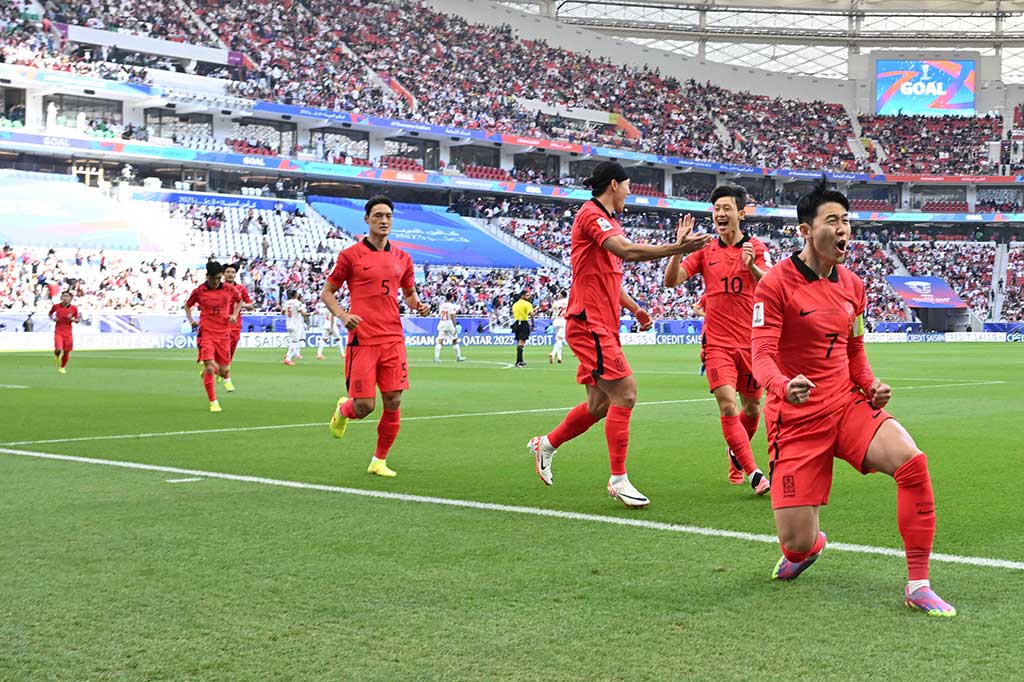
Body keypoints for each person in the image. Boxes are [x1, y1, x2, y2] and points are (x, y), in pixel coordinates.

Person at [751, 178, 955, 616]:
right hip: (796, 421)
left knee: (911, 460)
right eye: (833, 220)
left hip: (844, 405)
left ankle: (918, 583)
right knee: (796, 543)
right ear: (806, 230)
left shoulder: (853, 286)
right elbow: (761, 357)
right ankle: (810, 547)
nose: (844, 229)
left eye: (847, 221)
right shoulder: (774, 285)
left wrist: (870, 385)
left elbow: (854, 350)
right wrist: (784, 386)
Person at [527, 161, 712, 507]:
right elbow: (626, 251)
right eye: (628, 185)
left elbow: (610, 275)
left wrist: (636, 308)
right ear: (614, 184)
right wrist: (677, 249)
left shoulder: (610, 221)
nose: (630, 192)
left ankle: (546, 444)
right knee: (626, 394)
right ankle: (618, 479)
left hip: (603, 322)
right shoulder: (590, 214)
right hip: (588, 322)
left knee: (598, 405)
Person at [664, 184, 771, 495]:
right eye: (716, 209)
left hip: (751, 344)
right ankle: (753, 473)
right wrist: (678, 249)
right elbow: (671, 281)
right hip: (717, 344)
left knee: (751, 409)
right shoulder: (705, 250)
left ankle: (735, 453)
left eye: (726, 208)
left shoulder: (756, 249)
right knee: (727, 405)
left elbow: (773, 284)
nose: (720, 214)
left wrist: (751, 266)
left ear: (740, 213)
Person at [322, 195, 431, 477]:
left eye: (388, 216)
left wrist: (417, 305)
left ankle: (378, 461)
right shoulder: (350, 256)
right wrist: (344, 316)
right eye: (378, 216)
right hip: (363, 339)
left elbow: (408, 294)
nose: (384, 221)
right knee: (365, 406)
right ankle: (344, 410)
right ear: (367, 219)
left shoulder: (403, 258)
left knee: (393, 400)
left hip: (393, 337)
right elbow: (327, 293)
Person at [184, 261, 241, 413]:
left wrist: (234, 315)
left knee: (223, 371)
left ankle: (209, 371)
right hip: (206, 333)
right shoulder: (199, 291)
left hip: (223, 334)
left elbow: (239, 300)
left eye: (218, 278)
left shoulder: (229, 289)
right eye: (213, 278)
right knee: (210, 367)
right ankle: (213, 401)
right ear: (207, 276)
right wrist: (191, 321)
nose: (216, 281)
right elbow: (187, 305)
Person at [221, 262, 253, 391]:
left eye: (233, 272)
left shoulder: (241, 289)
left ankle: (221, 370)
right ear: (223, 274)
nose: (230, 274)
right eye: (228, 272)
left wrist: (239, 305)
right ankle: (227, 378)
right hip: (220, 325)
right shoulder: (219, 288)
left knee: (230, 352)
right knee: (223, 351)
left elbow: (250, 305)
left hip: (235, 325)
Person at [48, 292, 79, 374]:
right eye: (64, 296)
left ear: (71, 298)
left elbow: (77, 320)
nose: (65, 298)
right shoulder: (56, 306)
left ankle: (62, 367)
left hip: (68, 331)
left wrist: (72, 319)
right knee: (58, 348)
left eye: (67, 296)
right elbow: (50, 313)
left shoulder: (74, 308)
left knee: (67, 351)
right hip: (59, 330)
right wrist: (53, 318)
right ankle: (57, 355)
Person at [435, 292, 465, 363]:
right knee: (455, 340)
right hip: (449, 323)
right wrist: (455, 327)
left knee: (440, 340)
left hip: (442, 323)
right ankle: (458, 357)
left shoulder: (441, 305)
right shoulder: (452, 306)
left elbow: (440, 314)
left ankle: (436, 358)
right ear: (451, 298)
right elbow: (452, 316)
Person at [282, 290, 309, 365]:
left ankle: (287, 356)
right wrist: (313, 313)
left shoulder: (287, 302)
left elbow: (282, 312)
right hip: (295, 324)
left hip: (288, 324)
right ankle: (288, 359)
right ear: (295, 295)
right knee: (296, 343)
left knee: (293, 341)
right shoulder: (297, 303)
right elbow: (304, 314)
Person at [511, 291, 533, 367]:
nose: (529, 297)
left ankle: (520, 360)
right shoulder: (527, 304)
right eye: (527, 295)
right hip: (524, 323)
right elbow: (531, 314)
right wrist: (533, 325)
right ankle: (518, 362)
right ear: (522, 296)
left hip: (516, 323)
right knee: (521, 343)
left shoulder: (515, 304)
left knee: (519, 342)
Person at [548, 290, 568, 364]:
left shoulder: (556, 302)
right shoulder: (569, 302)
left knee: (558, 339)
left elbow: (551, 311)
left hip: (557, 321)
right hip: (564, 321)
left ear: (562, 295)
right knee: (560, 339)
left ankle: (559, 357)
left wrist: (550, 317)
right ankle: (553, 354)